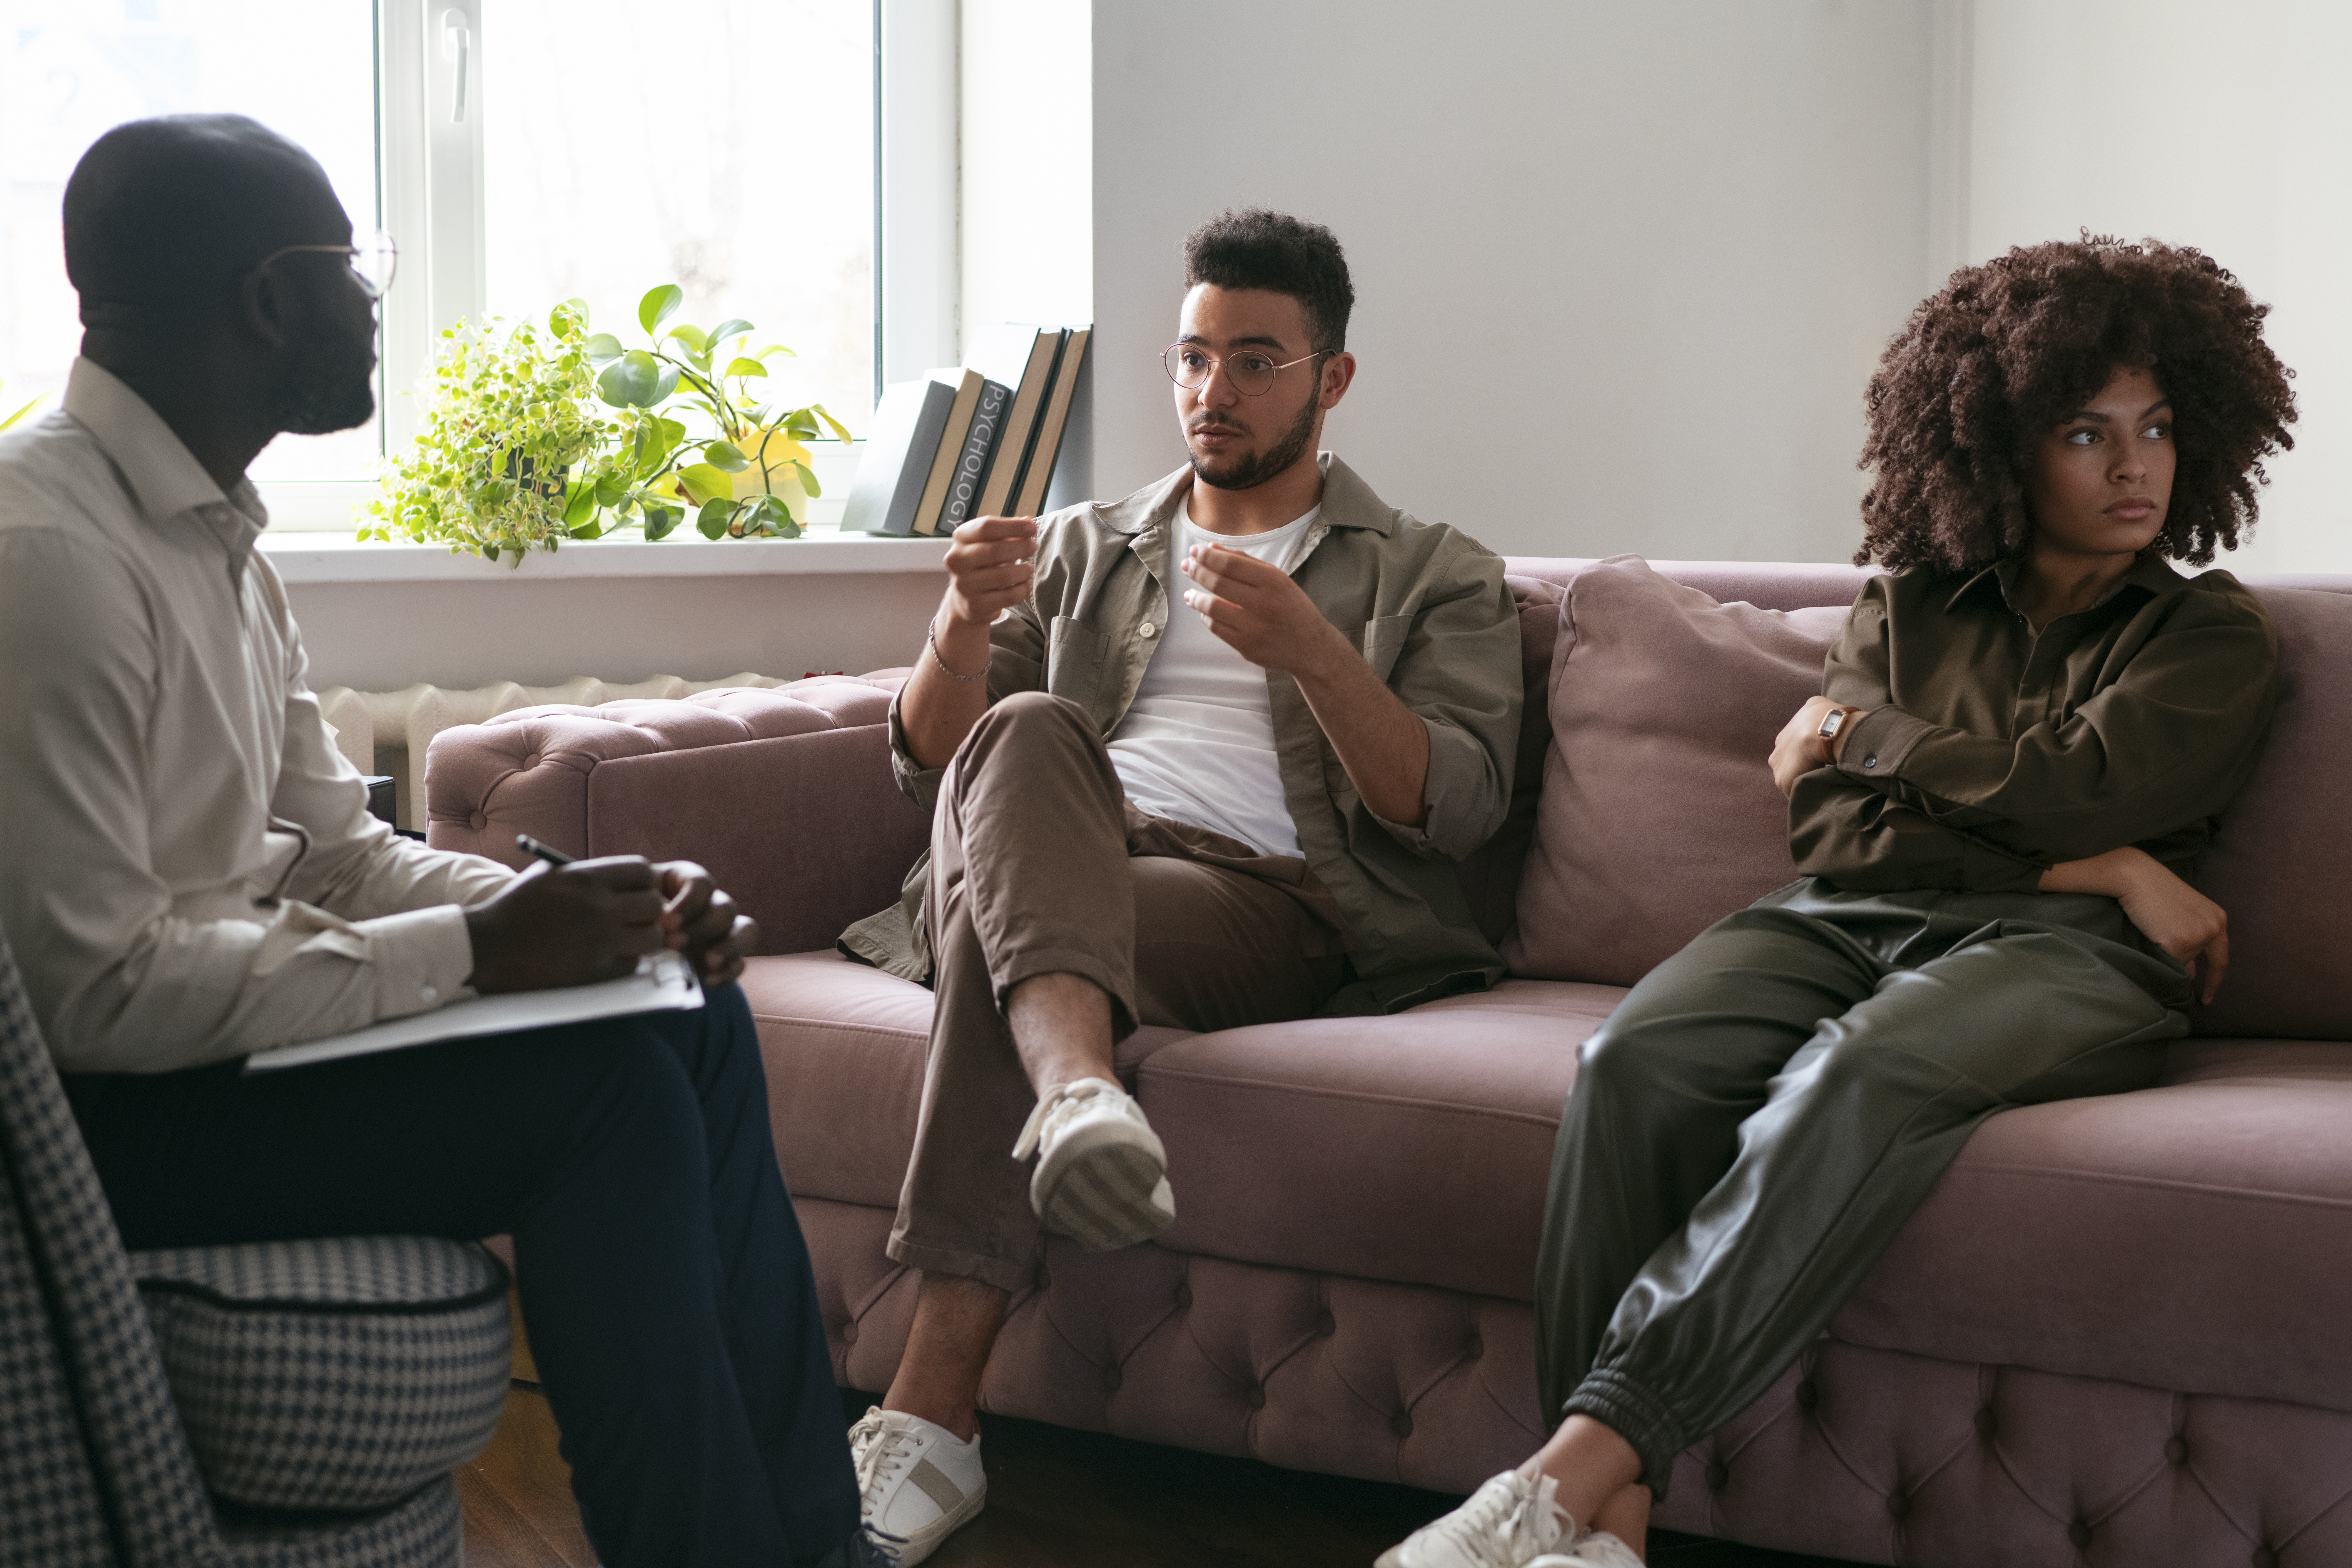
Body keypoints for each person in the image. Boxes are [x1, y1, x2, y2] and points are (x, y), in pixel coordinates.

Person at [0, 115, 882, 1568]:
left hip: (212, 1053)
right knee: (602, 1093)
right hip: (111, 1116)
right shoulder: (53, 562)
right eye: (356, 266)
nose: (373, 302)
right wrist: (477, 952)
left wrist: (581, 911)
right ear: (269, 299)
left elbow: (341, 852)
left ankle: (811, 1549)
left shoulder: (211, 536)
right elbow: (88, 1001)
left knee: (686, 1012)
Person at [1380, 234, 2296, 1568]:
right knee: (1629, 1057)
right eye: (2086, 432)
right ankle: (1606, 1525)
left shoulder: (2207, 632)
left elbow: (2075, 784)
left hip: (2078, 957)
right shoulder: (1908, 605)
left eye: (2154, 428)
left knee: (1860, 1069)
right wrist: (2095, 859)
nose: (2133, 464)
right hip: (1871, 912)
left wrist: (1872, 743)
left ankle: (1562, 1474)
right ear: (1997, 446)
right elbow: (1829, 830)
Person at [834, 208, 1524, 1562]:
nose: (1213, 393)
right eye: (1193, 358)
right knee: (1028, 729)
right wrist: (958, 625)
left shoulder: (1437, 571)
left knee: (1003, 922)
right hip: (1067, 852)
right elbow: (933, 764)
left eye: (1256, 361)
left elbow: (1448, 808)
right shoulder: (1088, 542)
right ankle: (1080, 1095)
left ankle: (931, 1408)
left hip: (1259, 900)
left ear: (1330, 378)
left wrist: (1317, 653)